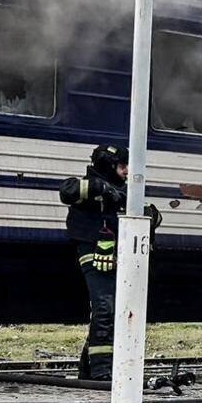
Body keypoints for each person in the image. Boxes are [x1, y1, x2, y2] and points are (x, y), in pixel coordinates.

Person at [59, 145, 129, 381]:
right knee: (104, 308)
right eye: (122, 166)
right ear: (107, 166)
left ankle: (87, 369)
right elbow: (67, 191)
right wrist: (101, 188)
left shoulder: (124, 192)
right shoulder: (87, 186)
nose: (127, 171)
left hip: (115, 257)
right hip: (91, 253)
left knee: (110, 310)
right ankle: (100, 372)